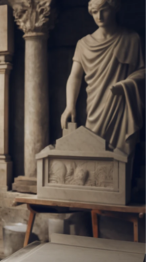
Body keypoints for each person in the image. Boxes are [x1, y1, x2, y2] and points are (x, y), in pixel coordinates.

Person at [60, 0, 144, 155]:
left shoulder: (131, 39)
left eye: (103, 10)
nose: (99, 16)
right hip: (95, 107)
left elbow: (142, 72)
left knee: (120, 156)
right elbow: (75, 77)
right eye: (94, 11)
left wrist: (125, 85)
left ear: (114, 9)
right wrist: (69, 105)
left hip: (121, 106)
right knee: (94, 150)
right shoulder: (84, 44)